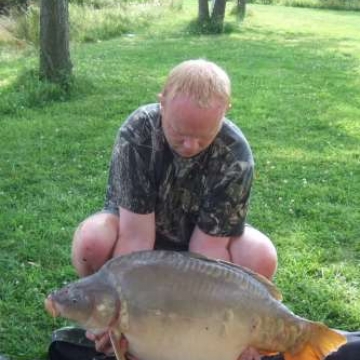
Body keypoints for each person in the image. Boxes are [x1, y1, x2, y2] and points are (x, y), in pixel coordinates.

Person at [71, 59, 277, 360]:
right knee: (92, 239)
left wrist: (199, 329)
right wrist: (121, 321)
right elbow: (135, 239)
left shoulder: (236, 154)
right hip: (141, 235)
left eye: (203, 136)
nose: (191, 145)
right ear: (162, 103)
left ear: (225, 111)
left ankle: (231, 335)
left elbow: (207, 254)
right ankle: (97, 315)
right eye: (179, 132)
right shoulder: (138, 132)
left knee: (260, 254)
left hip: (199, 245)